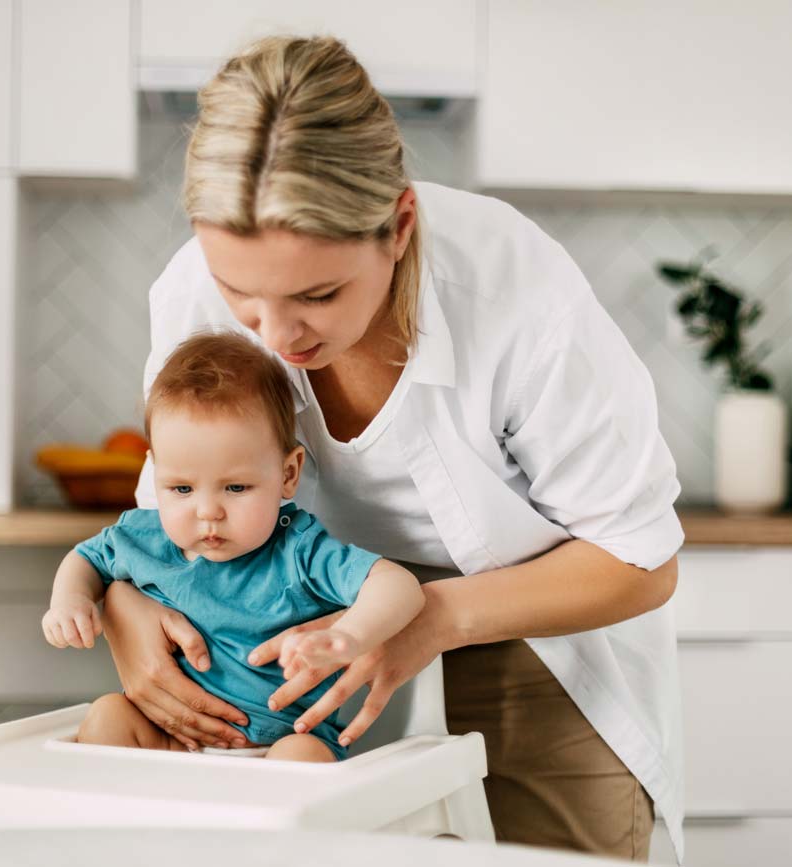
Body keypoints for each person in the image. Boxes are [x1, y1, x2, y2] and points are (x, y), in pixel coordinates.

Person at [103, 35, 687, 863]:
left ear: (400, 225)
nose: (276, 334)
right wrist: (126, 611)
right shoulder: (193, 291)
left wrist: (427, 619)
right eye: (242, 294)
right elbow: (160, 522)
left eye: (318, 293)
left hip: (530, 621)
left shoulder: (518, 295)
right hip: (288, 644)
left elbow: (642, 559)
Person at [42, 331, 425, 763]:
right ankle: (123, 826)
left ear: (287, 474)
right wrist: (70, 600)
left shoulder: (300, 551)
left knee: (302, 757)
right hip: (170, 740)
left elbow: (399, 586)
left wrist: (349, 635)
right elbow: (86, 558)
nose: (208, 511)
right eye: (181, 487)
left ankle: (273, 827)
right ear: (154, 473)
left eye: (236, 487)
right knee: (107, 716)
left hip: (277, 746)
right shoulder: (142, 538)